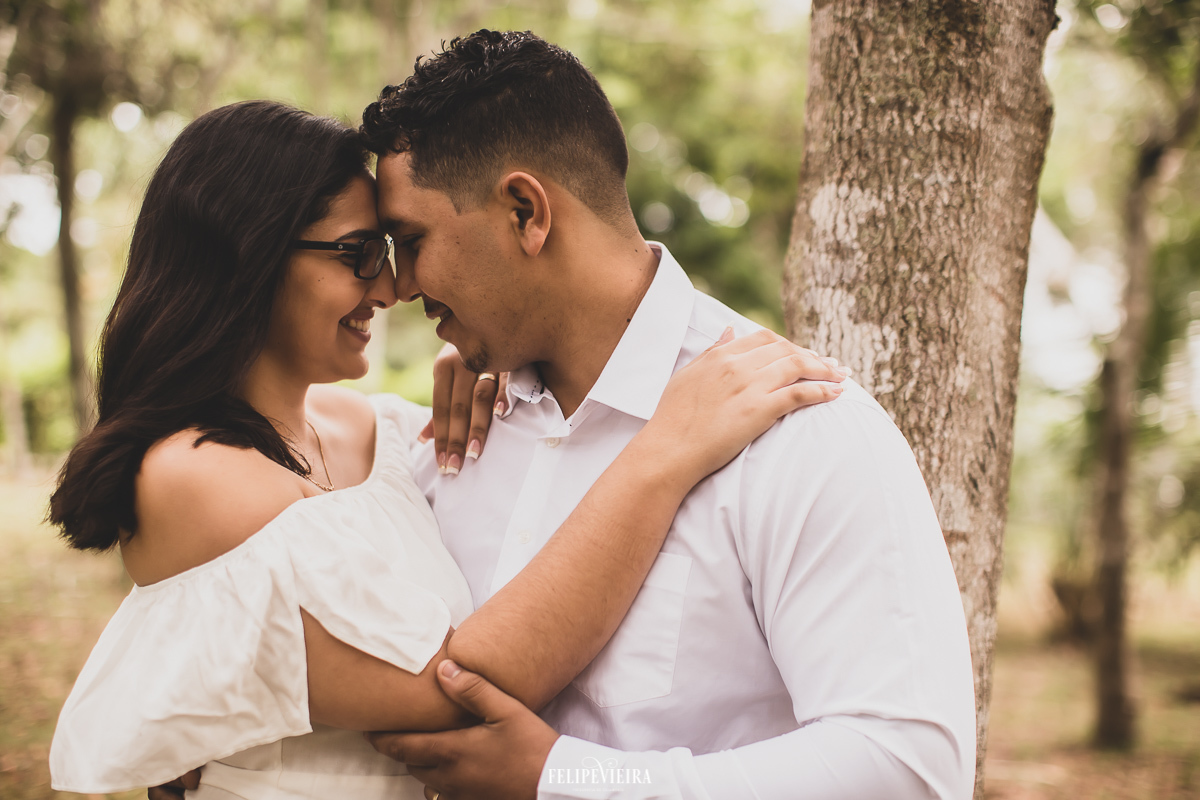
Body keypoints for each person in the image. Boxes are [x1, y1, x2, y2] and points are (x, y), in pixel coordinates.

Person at [45, 100, 844, 799]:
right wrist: (664, 451)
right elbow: (452, 689)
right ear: (247, 259)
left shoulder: (371, 431)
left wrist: (491, 354)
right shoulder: (189, 474)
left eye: (393, 253)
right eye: (359, 255)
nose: (391, 290)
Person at [355, 29, 978, 800]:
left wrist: (563, 779)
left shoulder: (802, 429)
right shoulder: (453, 437)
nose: (401, 284)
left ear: (526, 211)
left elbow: (909, 770)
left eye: (411, 242)